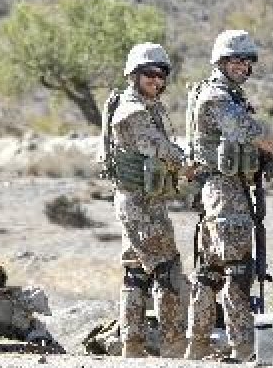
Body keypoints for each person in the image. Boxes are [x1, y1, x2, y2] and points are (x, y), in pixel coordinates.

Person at [184, 30, 273, 362]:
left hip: (222, 192)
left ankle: (196, 345)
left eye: (246, 61)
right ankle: (243, 347)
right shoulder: (217, 97)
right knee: (237, 272)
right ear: (221, 62)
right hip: (225, 192)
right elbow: (248, 132)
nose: (242, 66)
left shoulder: (226, 94)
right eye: (235, 60)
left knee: (210, 273)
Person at [101, 42, 187, 358]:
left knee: (136, 273)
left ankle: (132, 347)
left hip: (143, 201)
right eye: (147, 74)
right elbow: (160, 149)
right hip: (140, 206)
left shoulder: (145, 106)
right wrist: (189, 164)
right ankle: (174, 346)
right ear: (133, 75)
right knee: (167, 270)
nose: (155, 79)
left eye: (160, 74)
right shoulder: (133, 112)